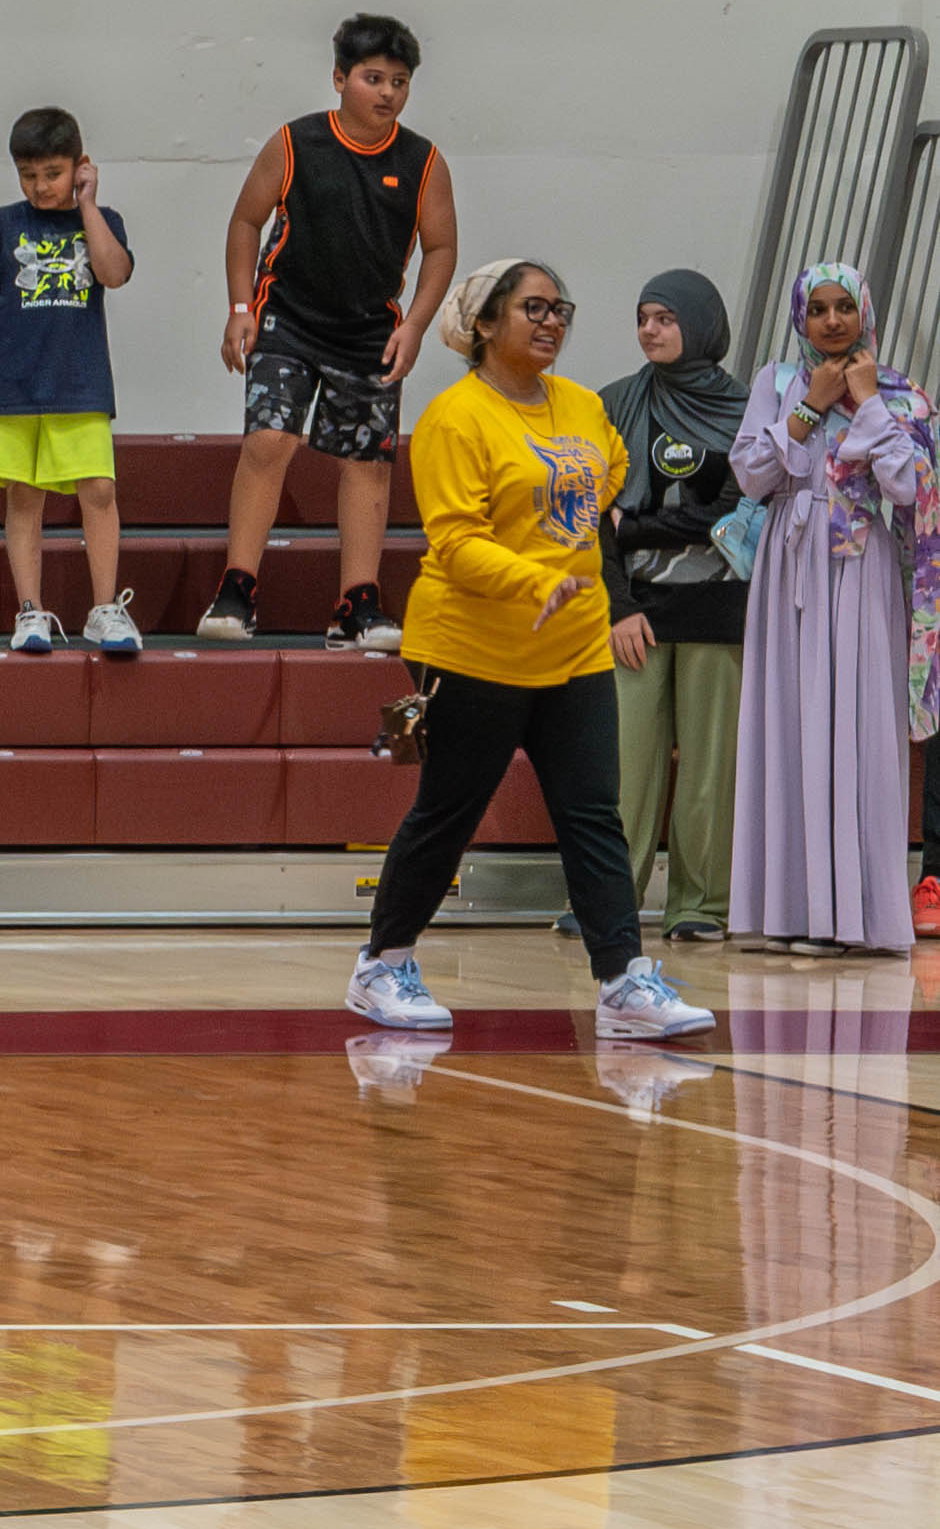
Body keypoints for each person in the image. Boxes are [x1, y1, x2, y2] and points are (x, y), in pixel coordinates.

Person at [349, 263, 716, 1043]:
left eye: (560, 309)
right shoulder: (455, 418)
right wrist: (535, 577)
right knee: (449, 810)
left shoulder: (581, 404)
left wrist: (575, 549)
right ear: (485, 324)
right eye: (533, 308)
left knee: (592, 812)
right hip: (472, 646)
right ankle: (383, 963)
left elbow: (612, 468)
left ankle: (622, 979)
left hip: (574, 646)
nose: (552, 322)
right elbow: (456, 540)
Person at [211, 12, 458, 644]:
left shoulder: (424, 161)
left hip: (369, 331)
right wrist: (240, 309)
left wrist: (416, 326)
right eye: (374, 78)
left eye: (399, 82)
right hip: (287, 320)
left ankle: (356, 604)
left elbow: (441, 249)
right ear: (340, 79)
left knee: (368, 463)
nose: (388, 93)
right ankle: (236, 590)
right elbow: (245, 222)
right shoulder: (296, 143)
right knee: (269, 440)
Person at [727, 264, 928, 954]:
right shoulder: (777, 381)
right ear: (801, 317)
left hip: (862, 562)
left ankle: (857, 916)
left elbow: (907, 487)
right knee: (791, 720)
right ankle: (793, 910)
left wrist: (867, 402)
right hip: (790, 560)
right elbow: (751, 473)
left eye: (845, 306)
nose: (833, 320)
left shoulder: (897, 391)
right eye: (818, 308)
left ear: (865, 312)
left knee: (859, 724)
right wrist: (811, 405)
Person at [600, 268, 756, 953]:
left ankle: (700, 903)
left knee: (709, 768)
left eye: (665, 318)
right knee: (625, 765)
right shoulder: (614, 404)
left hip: (719, 607)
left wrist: (636, 526)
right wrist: (618, 605)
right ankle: (609, 898)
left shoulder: (749, 411)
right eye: (643, 317)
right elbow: (593, 519)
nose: (650, 330)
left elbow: (732, 512)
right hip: (638, 610)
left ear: (700, 324)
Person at [0, 110, 141, 654]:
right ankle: (30, 611)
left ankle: (106, 609)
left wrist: (87, 204)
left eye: (53, 174)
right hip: (12, 386)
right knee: (23, 495)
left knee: (98, 490)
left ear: (80, 167)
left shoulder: (103, 220)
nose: (40, 186)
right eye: (28, 175)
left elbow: (114, 274)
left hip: (80, 382)